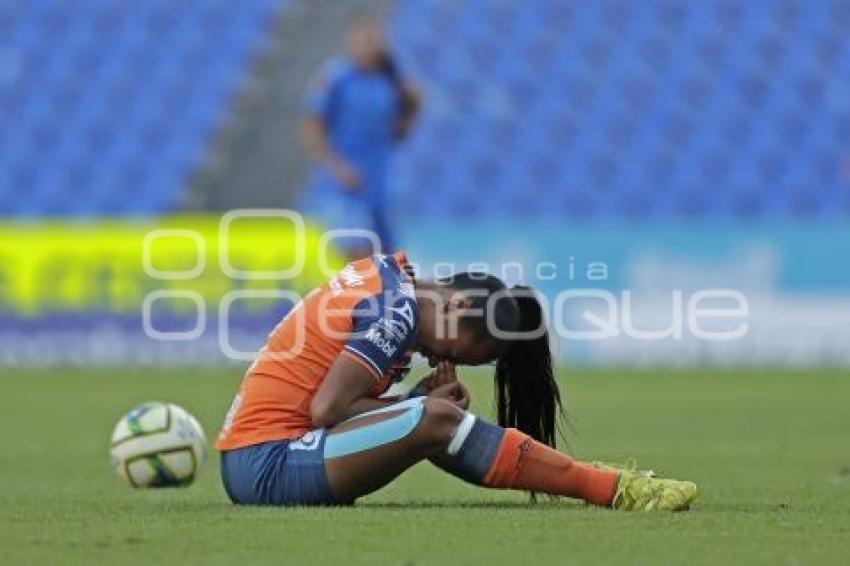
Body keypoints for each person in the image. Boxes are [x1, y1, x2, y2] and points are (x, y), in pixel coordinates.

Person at [215, 251, 699, 510]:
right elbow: (327, 411)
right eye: (448, 351)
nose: (434, 356)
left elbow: (329, 404)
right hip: (267, 464)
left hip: (270, 454)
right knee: (439, 419)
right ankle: (608, 486)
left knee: (435, 419)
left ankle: (592, 479)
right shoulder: (397, 312)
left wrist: (410, 404)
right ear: (456, 305)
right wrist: (414, 408)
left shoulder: (391, 277)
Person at [299, 16, 419, 260]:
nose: (369, 46)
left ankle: (383, 298)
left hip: (382, 181)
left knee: (390, 257)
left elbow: (406, 119)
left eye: (374, 40)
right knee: (358, 255)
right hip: (348, 185)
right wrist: (337, 167)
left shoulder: (391, 79)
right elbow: (311, 127)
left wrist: (408, 118)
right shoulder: (337, 78)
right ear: (351, 43)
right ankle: (360, 297)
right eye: (363, 40)